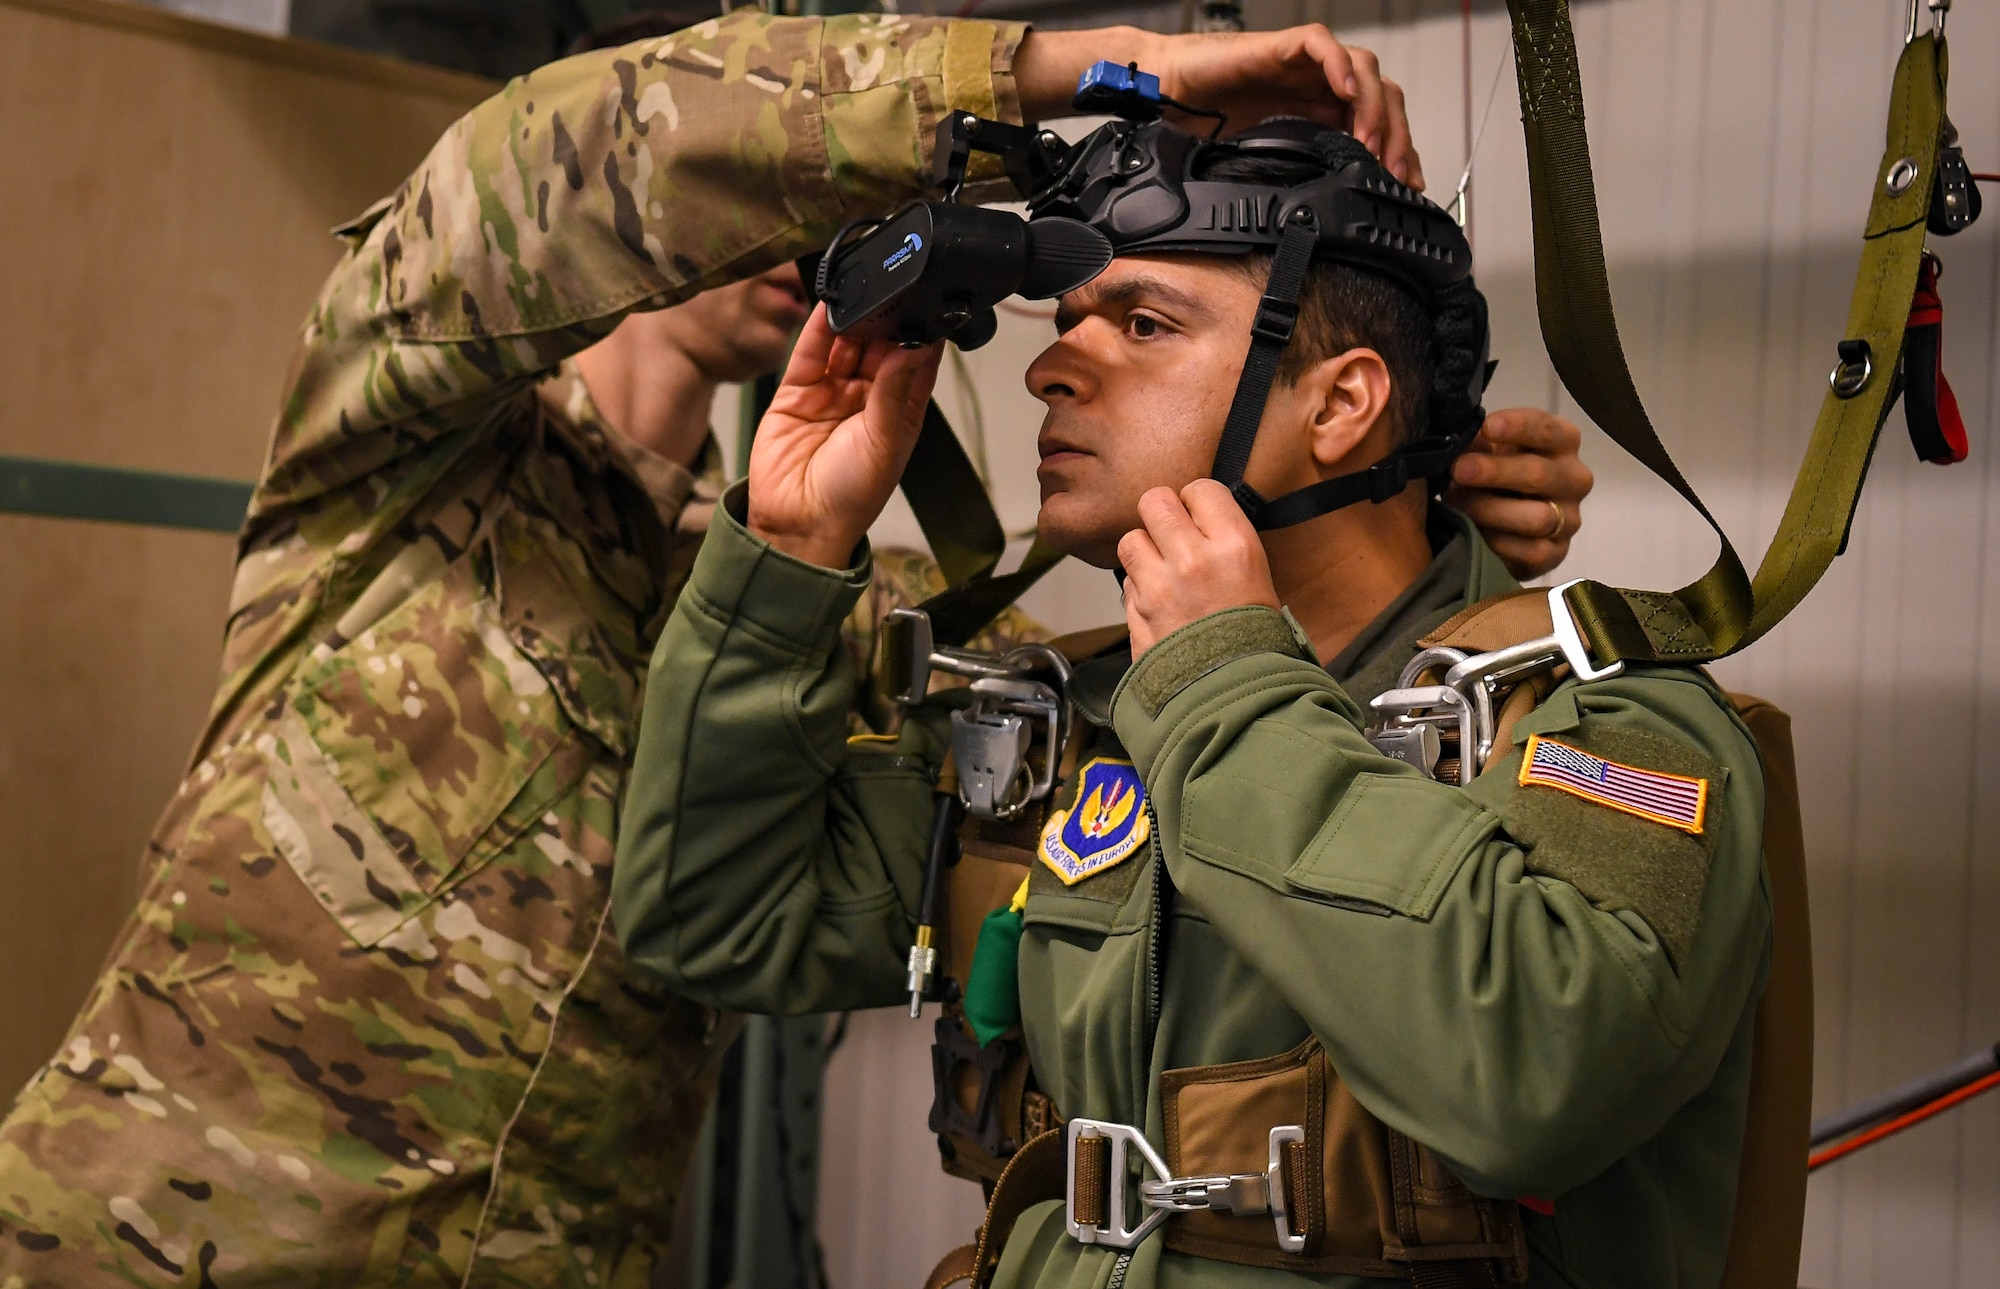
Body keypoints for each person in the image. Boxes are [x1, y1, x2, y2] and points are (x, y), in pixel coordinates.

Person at [0, 9, 1594, 1286]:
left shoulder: (825, 589)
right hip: (169, 1240)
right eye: (796, 187)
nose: (829, 231)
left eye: (871, 212)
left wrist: (1403, 513)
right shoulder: (409, 444)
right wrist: (1093, 68)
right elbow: (544, 161)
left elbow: (1152, 700)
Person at [612, 112, 1769, 1289]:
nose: (1050, 366)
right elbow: (711, 918)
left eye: (1144, 323)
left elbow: (1539, 1078)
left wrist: (1225, 687)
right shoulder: (1067, 721)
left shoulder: (1594, 716)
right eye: (1067, 322)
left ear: (1339, 404)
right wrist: (789, 548)